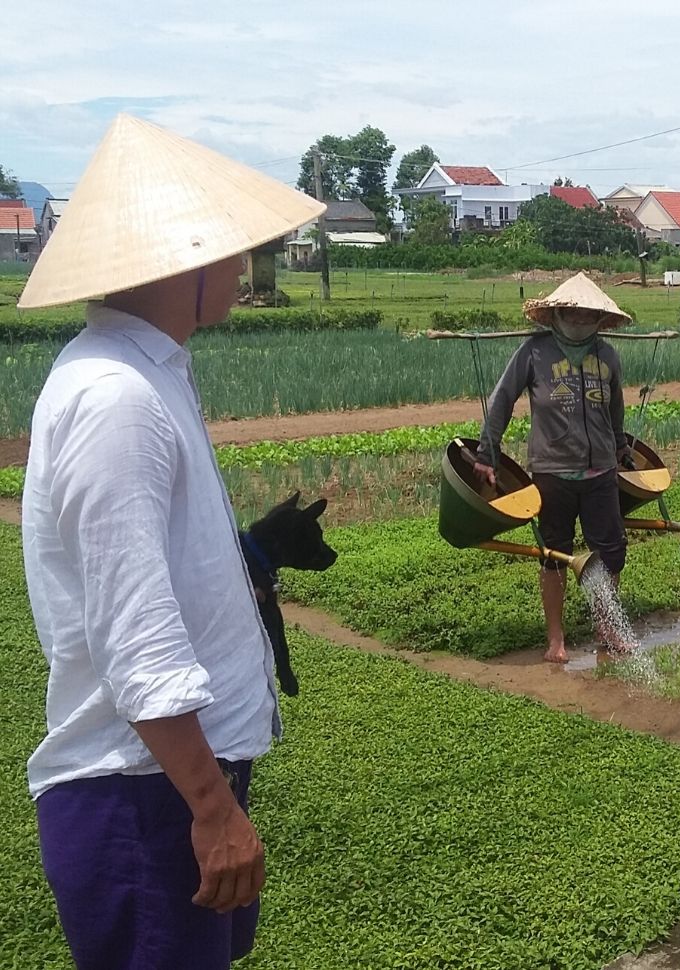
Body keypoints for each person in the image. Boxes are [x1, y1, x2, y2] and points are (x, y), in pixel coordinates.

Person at [19, 114, 325, 969]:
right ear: (178, 260)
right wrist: (212, 807)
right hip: (144, 794)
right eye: (228, 250)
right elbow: (133, 629)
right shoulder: (117, 398)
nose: (241, 265)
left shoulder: (147, 374)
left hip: (170, 783)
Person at [473, 272, 634, 662]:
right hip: (551, 473)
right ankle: (555, 640)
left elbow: (615, 409)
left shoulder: (607, 356)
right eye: (572, 316)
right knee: (554, 554)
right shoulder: (534, 353)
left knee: (610, 553)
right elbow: (502, 400)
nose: (579, 323)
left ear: (600, 320)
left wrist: (619, 447)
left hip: (600, 474)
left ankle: (606, 625)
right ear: (556, 317)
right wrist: (486, 454)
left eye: (588, 317)